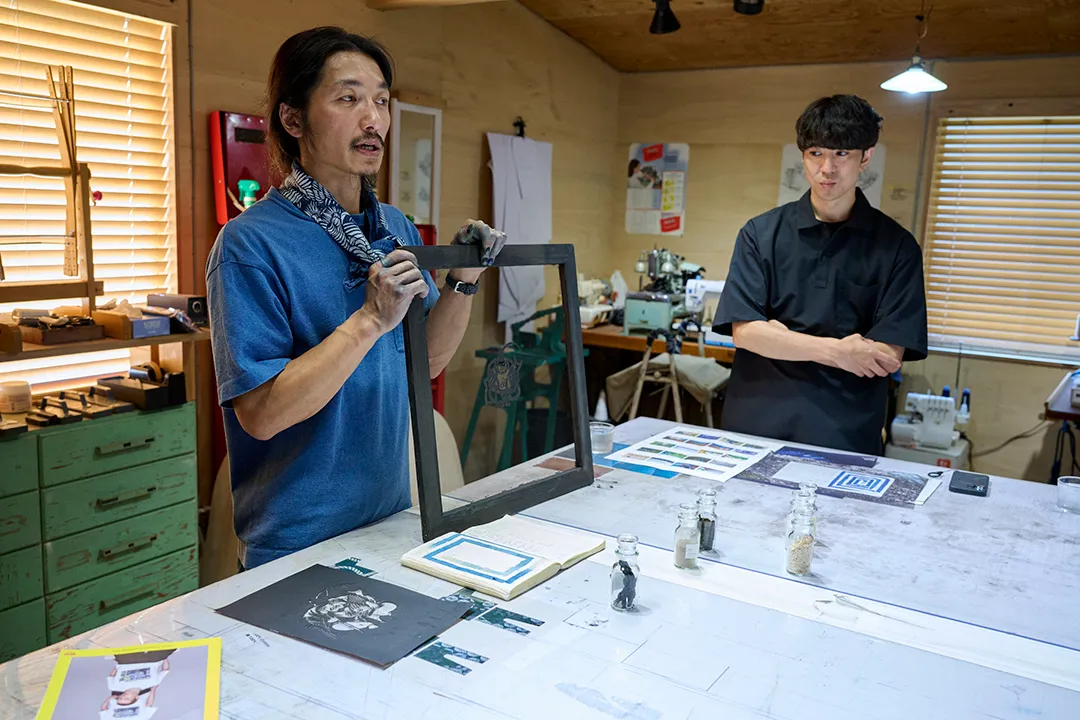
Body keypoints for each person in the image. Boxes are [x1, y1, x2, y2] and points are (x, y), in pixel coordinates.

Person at [206, 27, 505, 569]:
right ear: (293, 119)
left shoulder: (393, 228)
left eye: (381, 101)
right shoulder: (249, 245)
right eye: (348, 99)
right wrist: (369, 320)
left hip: (390, 520)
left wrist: (463, 280)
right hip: (297, 543)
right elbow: (262, 415)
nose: (373, 120)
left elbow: (425, 363)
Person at [714, 94, 927, 455]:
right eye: (816, 153)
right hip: (754, 427)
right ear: (803, 156)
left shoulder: (897, 247)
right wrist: (839, 351)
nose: (827, 168)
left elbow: (887, 355)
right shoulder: (760, 234)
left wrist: (781, 338)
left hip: (845, 435)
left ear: (866, 157)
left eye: (842, 153)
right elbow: (746, 333)